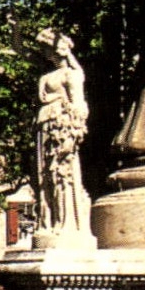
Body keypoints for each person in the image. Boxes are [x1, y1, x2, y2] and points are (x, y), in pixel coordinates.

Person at [34, 29, 92, 246]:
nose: (46, 54)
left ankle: (65, 222)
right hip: (45, 126)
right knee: (45, 177)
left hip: (61, 127)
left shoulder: (71, 74)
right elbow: (42, 97)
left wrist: (73, 136)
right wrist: (15, 30)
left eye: (47, 49)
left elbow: (79, 106)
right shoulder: (46, 76)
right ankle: (48, 221)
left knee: (61, 175)